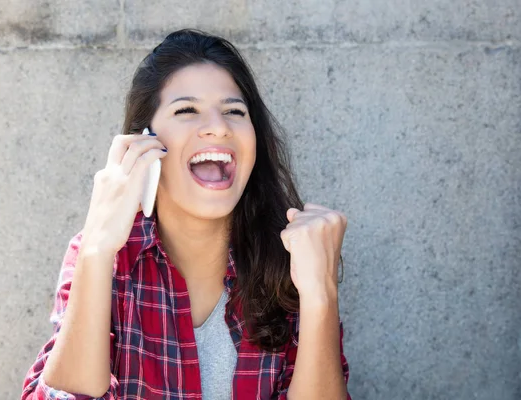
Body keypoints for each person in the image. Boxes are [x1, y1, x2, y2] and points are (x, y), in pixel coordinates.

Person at [21, 29, 351, 400]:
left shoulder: (294, 258)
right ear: (144, 142)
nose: (218, 126)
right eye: (187, 110)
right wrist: (97, 251)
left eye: (234, 111)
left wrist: (320, 294)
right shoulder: (105, 257)